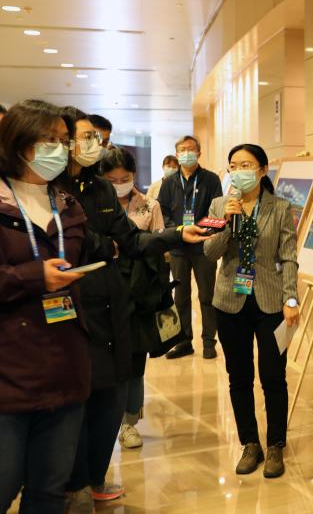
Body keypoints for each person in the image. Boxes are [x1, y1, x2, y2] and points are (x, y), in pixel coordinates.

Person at [59, 109, 210, 513]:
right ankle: (73, 484)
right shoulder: (50, 189)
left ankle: (94, 478)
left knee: (111, 398)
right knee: (76, 403)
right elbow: (77, 243)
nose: (94, 145)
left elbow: (130, 241)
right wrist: (100, 244)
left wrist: (177, 234)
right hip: (70, 308)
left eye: (96, 138)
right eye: (86, 137)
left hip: (113, 304)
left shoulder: (101, 190)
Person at [0, 101, 89, 514]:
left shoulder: (67, 204)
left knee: (50, 492)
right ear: (19, 142)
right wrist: (34, 276)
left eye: (63, 140)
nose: (59, 148)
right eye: (48, 139)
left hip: (65, 365)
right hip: (10, 373)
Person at [204, 144, 300, 479]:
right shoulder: (219, 205)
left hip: (270, 301)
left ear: (262, 170)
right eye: (234, 165)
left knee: (273, 376)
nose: (239, 171)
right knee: (239, 376)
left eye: (246, 165)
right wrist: (227, 224)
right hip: (230, 301)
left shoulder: (280, 207)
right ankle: (250, 443)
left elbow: (288, 257)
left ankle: (275, 444)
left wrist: (291, 299)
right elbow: (209, 252)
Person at [98, 148, 166, 450]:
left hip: (139, 294)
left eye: (124, 178)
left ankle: (129, 421)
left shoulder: (150, 205)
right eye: (111, 180)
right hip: (103, 292)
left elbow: (160, 245)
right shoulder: (94, 205)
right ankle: (105, 418)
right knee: (107, 358)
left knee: (136, 358)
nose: (118, 184)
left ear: (133, 176)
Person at [158, 135, 223, 359]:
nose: (187, 153)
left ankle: (209, 342)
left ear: (199, 152)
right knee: (180, 297)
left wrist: (200, 230)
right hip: (178, 246)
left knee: (207, 295)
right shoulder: (169, 183)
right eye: (183, 149)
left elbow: (218, 212)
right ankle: (184, 342)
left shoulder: (211, 180)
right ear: (177, 154)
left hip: (204, 246)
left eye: (191, 149)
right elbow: (162, 212)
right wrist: (178, 231)